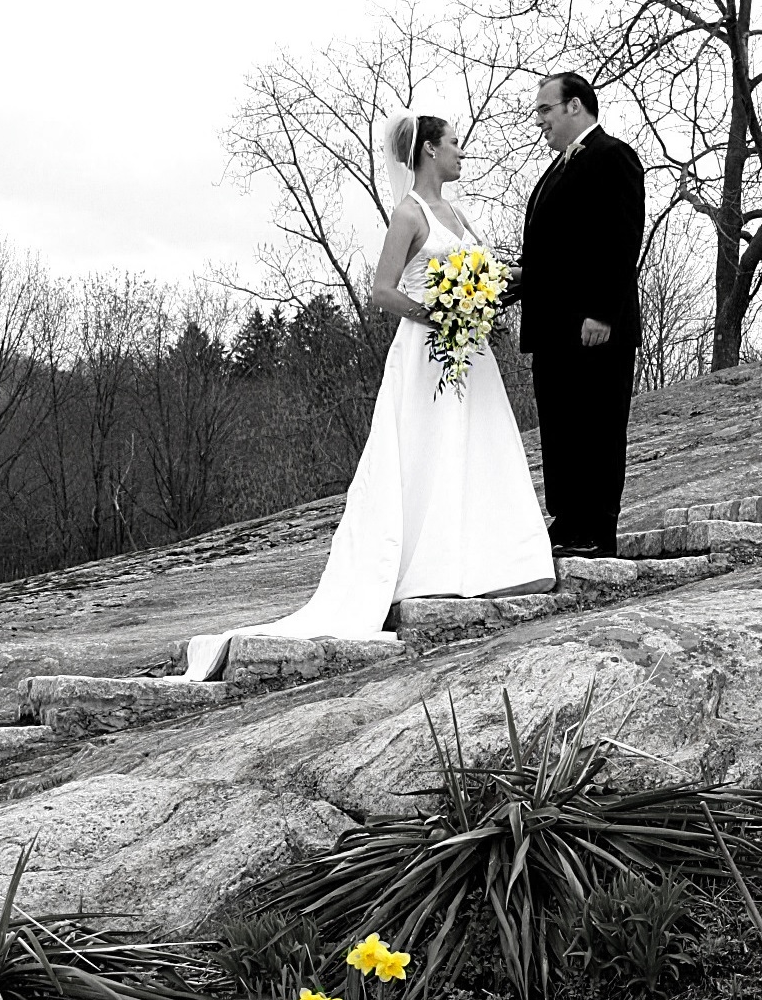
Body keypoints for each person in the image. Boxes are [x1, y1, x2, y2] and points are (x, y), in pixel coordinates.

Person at [181, 112, 555, 682]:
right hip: (426, 348)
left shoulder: (459, 213)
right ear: (429, 151)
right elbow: (382, 291)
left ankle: (493, 559)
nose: (461, 154)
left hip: (469, 351)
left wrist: (480, 301)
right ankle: (425, 569)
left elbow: (484, 275)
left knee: (477, 449)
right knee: (424, 452)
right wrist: (436, 311)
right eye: (454, 145)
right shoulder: (410, 214)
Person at [516, 72, 645, 558]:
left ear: (575, 107)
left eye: (546, 109)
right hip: (553, 330)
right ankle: (568, 521)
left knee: (597, 425)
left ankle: (596, 530)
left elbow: (620, 239)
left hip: (595, 327)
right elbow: (549, 257)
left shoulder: (613, 157)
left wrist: (601, 312)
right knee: (561, 425)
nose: (540, 120)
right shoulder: (554, 172)